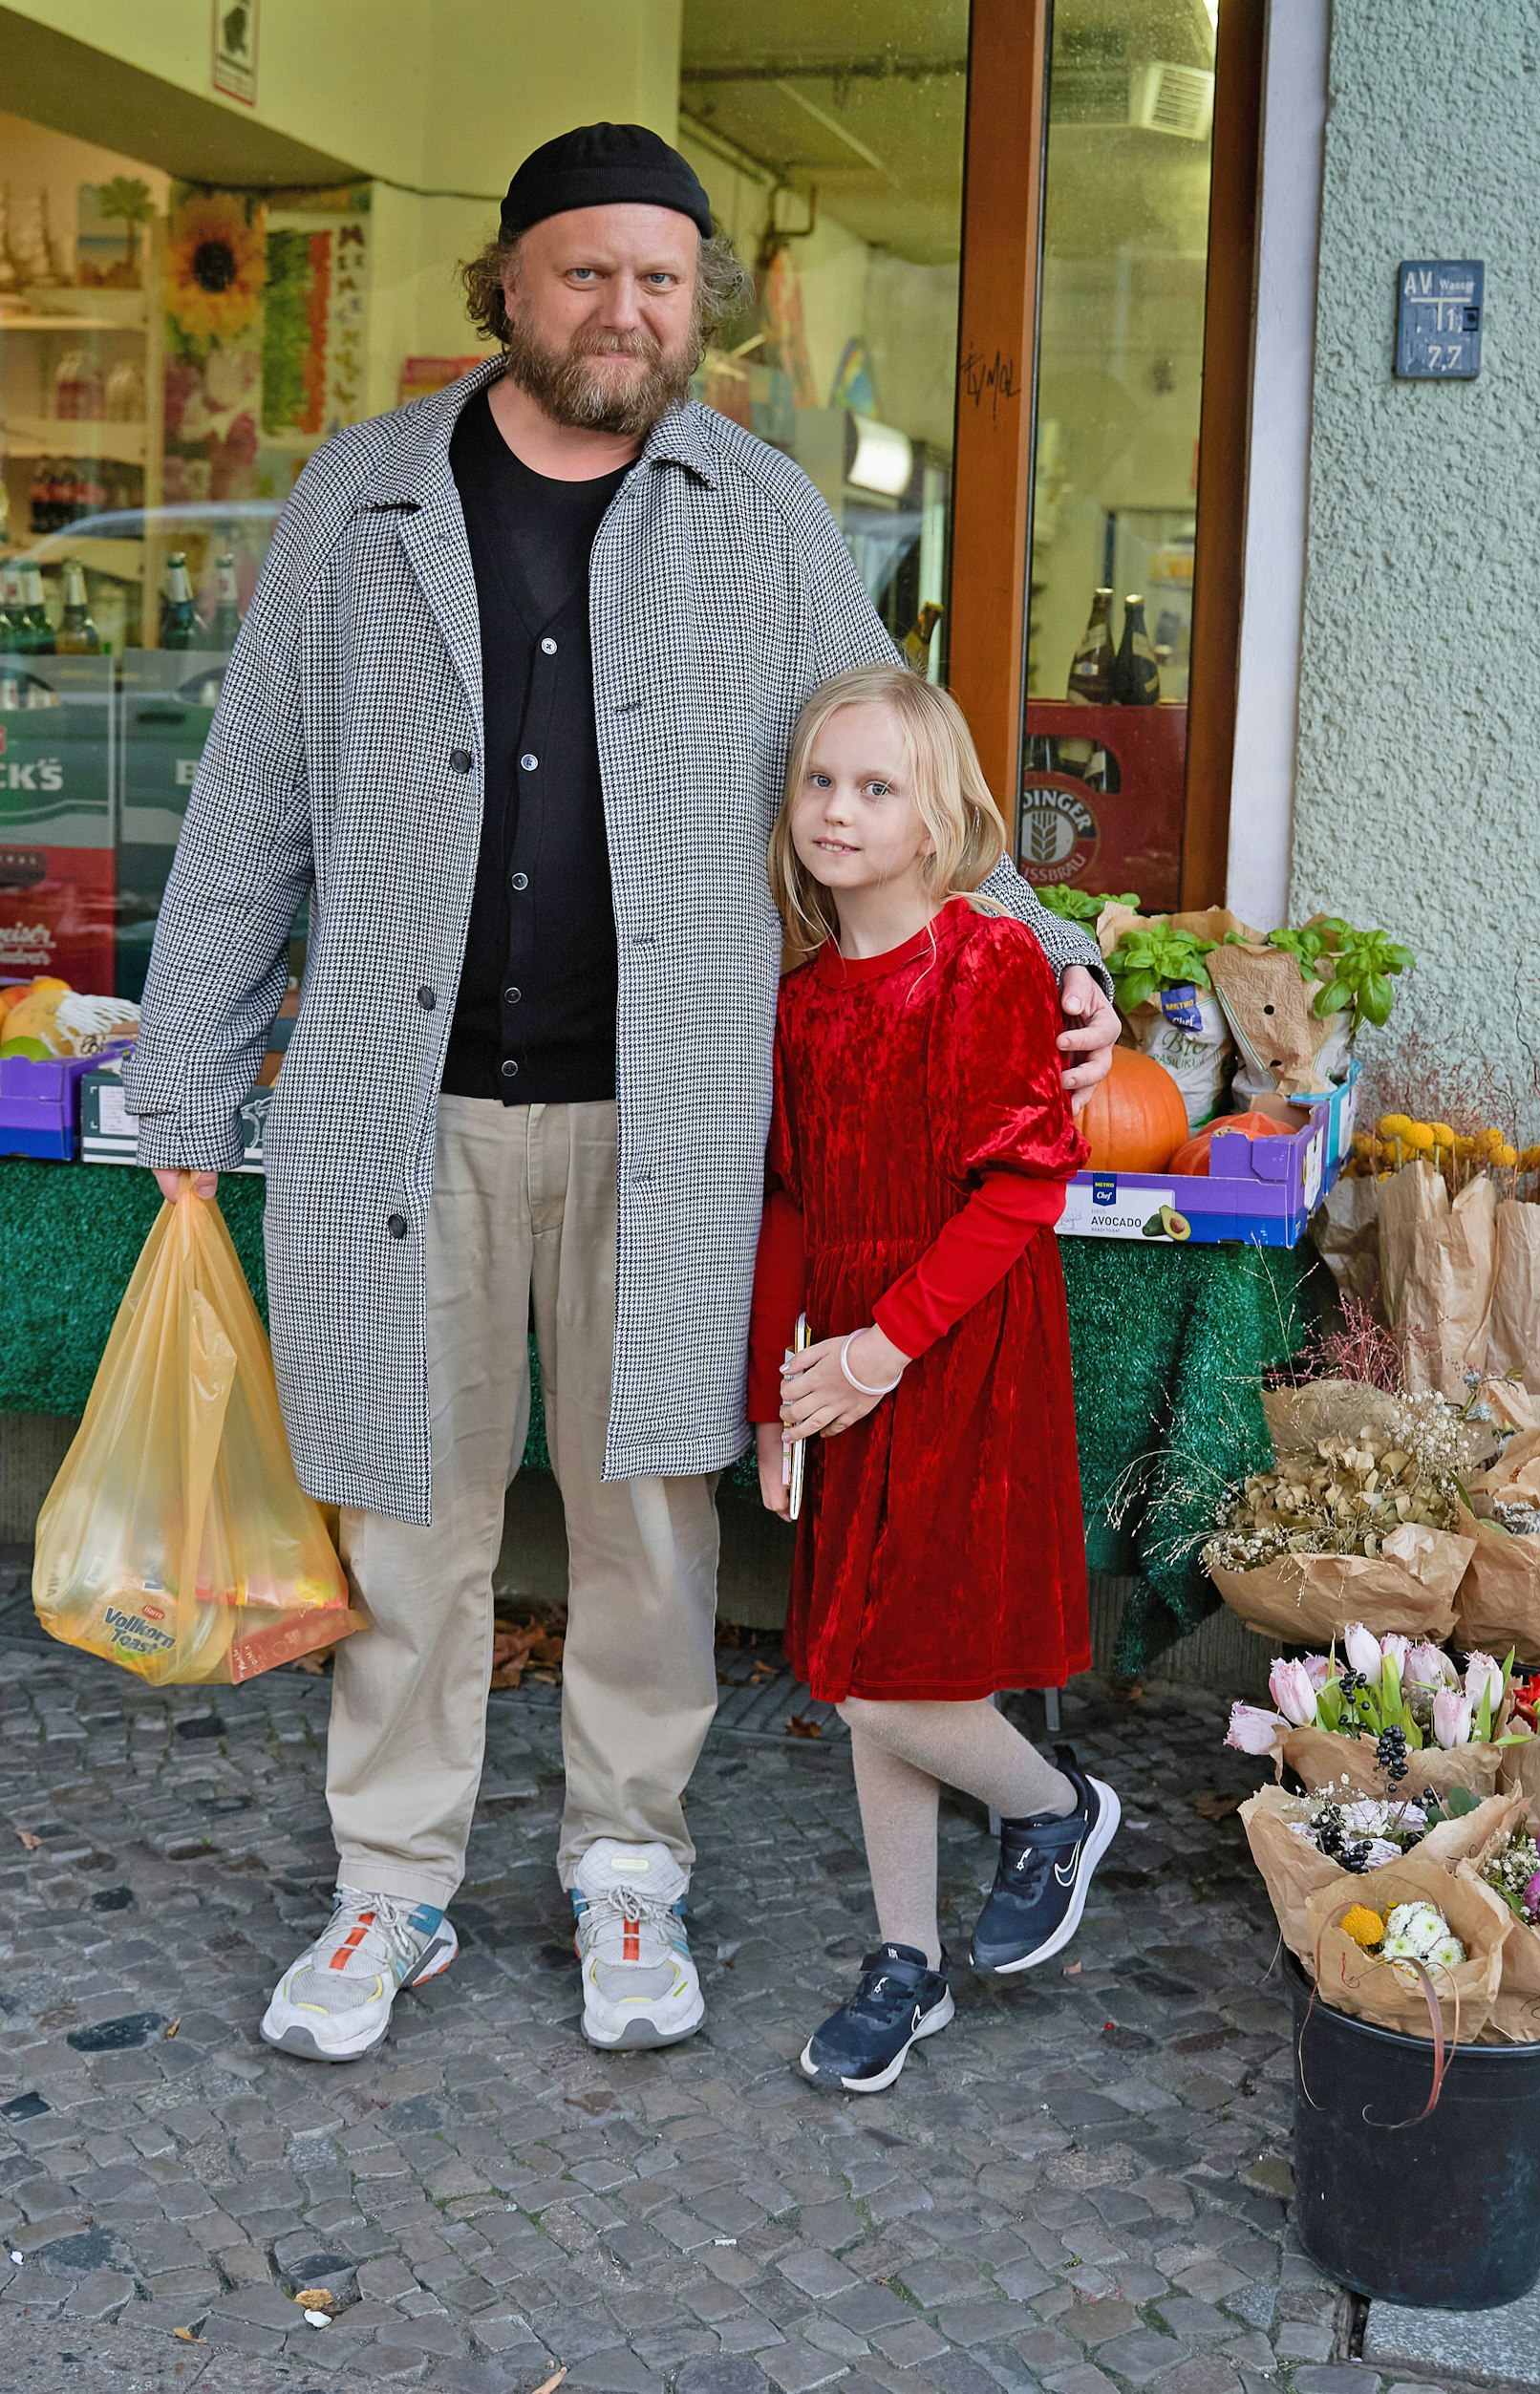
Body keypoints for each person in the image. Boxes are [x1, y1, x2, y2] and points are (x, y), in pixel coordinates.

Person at [121, 121, 1119, 2064]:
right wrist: (182, 1084)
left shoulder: (759, 512)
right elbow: (249, 799)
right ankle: (391, 1884)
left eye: (661, 278)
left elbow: (893, 762)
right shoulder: (363, 495)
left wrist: (1050, 962)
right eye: (585, 271)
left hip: (675, 1123)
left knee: (649, 1519)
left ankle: (625, 1865)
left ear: (698, 305)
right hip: (400, 1111)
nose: (624, 308)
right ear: (501, 282)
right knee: (401, 1510)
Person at [749, 665, 1120, 2094]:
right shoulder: (801, 1001)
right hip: (841, 1356)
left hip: (953, 1348)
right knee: (863, 1662)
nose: (841, 810)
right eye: (820, 783)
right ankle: (907, 1961)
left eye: (877, 786)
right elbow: (787, 1198)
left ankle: (1058, 1803)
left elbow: (1026, 1183)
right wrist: (776, 1390)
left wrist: (883, 1347)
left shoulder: (985, 965)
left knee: (884, 1684)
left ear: (940, 817)